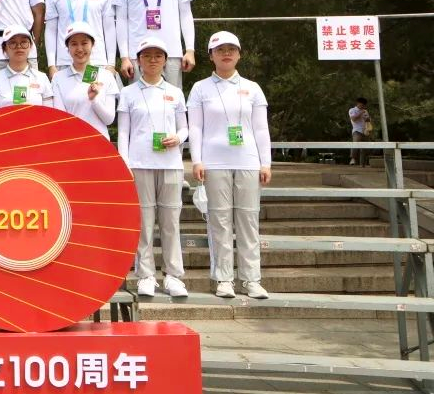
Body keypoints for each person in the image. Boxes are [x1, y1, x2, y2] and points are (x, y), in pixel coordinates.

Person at [188, 31, 272, 300]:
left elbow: (261, 128)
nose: (226, 54)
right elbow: (195, 127)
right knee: (220, 221)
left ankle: (251, 279)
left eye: (231, 49)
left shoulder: (252, 88)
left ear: (239, 54)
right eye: (220, 50)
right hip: (214, 162)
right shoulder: (200, 88)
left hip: (248, 160)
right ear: (211, 55)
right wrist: (197, 159)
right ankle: (224, 278)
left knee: (248, 220)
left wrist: (265, 162)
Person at [117, 35, 189, 298]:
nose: (153, 60)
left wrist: (178, 138)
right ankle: (146, 274)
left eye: (158, 56)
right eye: (147, 56)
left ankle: (173, 275)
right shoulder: (128, 93)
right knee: (144, 221)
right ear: (138, 61)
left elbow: (184, 128)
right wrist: (124, 163)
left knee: (170, 221)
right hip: (140, 164)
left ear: (165, 60)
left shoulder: (175, 92)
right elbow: (123, 132)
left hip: (170, 164)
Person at [51, 22, 120, 139]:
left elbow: (109, 119)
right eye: (74, 44)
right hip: (71, 144)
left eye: (84, 43)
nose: (79, 49)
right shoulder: (58, 78)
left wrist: (94, 100)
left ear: (93, 44)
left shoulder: (106, 76)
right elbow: (60, 118)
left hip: (100, 144)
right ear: (68, 47)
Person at [0, 25, 53, 110]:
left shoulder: (42, 78)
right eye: (13, 43)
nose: (19, 47)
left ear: (30, 46)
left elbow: (49, 113)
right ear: (5, 48)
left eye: (24, 42)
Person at [349, 97, 372, 166]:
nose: (362, 106)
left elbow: (368, 120)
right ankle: (353, 158)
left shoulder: (365, 111)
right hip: (357, 130)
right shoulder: (352, 110)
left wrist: (368, 119)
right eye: (361, 105)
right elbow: (353, 119)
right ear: (358, 103)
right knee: (355, 143)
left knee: (364, 148)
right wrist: (360, 113)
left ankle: (363, 164)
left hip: (365, 131)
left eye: (364, 105)